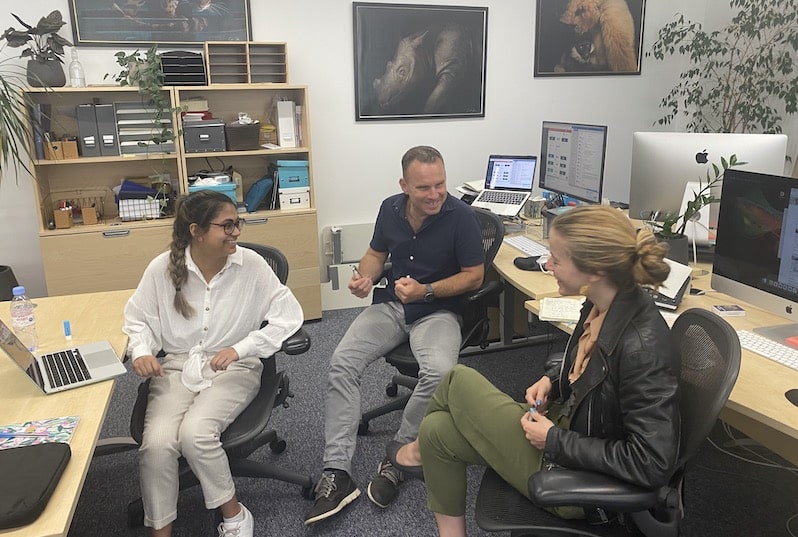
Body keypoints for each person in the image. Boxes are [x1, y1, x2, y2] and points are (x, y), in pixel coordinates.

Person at [389, 205, 680, 537]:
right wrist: (552, 381)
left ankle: (413, 453)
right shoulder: (601, 302)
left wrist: (554, 440)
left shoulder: (642, 347)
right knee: (438, 431)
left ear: (594, 269)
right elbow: (593, 373)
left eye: (557, 259)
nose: (548, 265)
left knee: (457, 378)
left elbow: (651, 463)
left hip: (575, 478)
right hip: (565, 433)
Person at [304, 145, 485, 525]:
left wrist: (428, 291)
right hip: (391, 306)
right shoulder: (390, 208)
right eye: (424, 188)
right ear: (404, 185)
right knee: (341, 363)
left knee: (438, 372)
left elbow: (474, 276)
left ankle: (398, 457)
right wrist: (366, 276)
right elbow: (374, 252)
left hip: (436, 311)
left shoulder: (462, 217)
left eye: (440, 184)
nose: (435, 194)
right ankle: (336, 473)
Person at [123, 190, 303, 537]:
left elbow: (289, 316)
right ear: (197, 231)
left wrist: (244, 346)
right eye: (227, 225)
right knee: (157, 444)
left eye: (238, 223)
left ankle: (235, 516)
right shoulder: (162, 268)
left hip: (235, 367)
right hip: (176, 367)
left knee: (195, 434)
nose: (236, 232)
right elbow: (137, 319)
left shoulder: (250, 265)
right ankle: (162, 530)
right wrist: (142, 350)